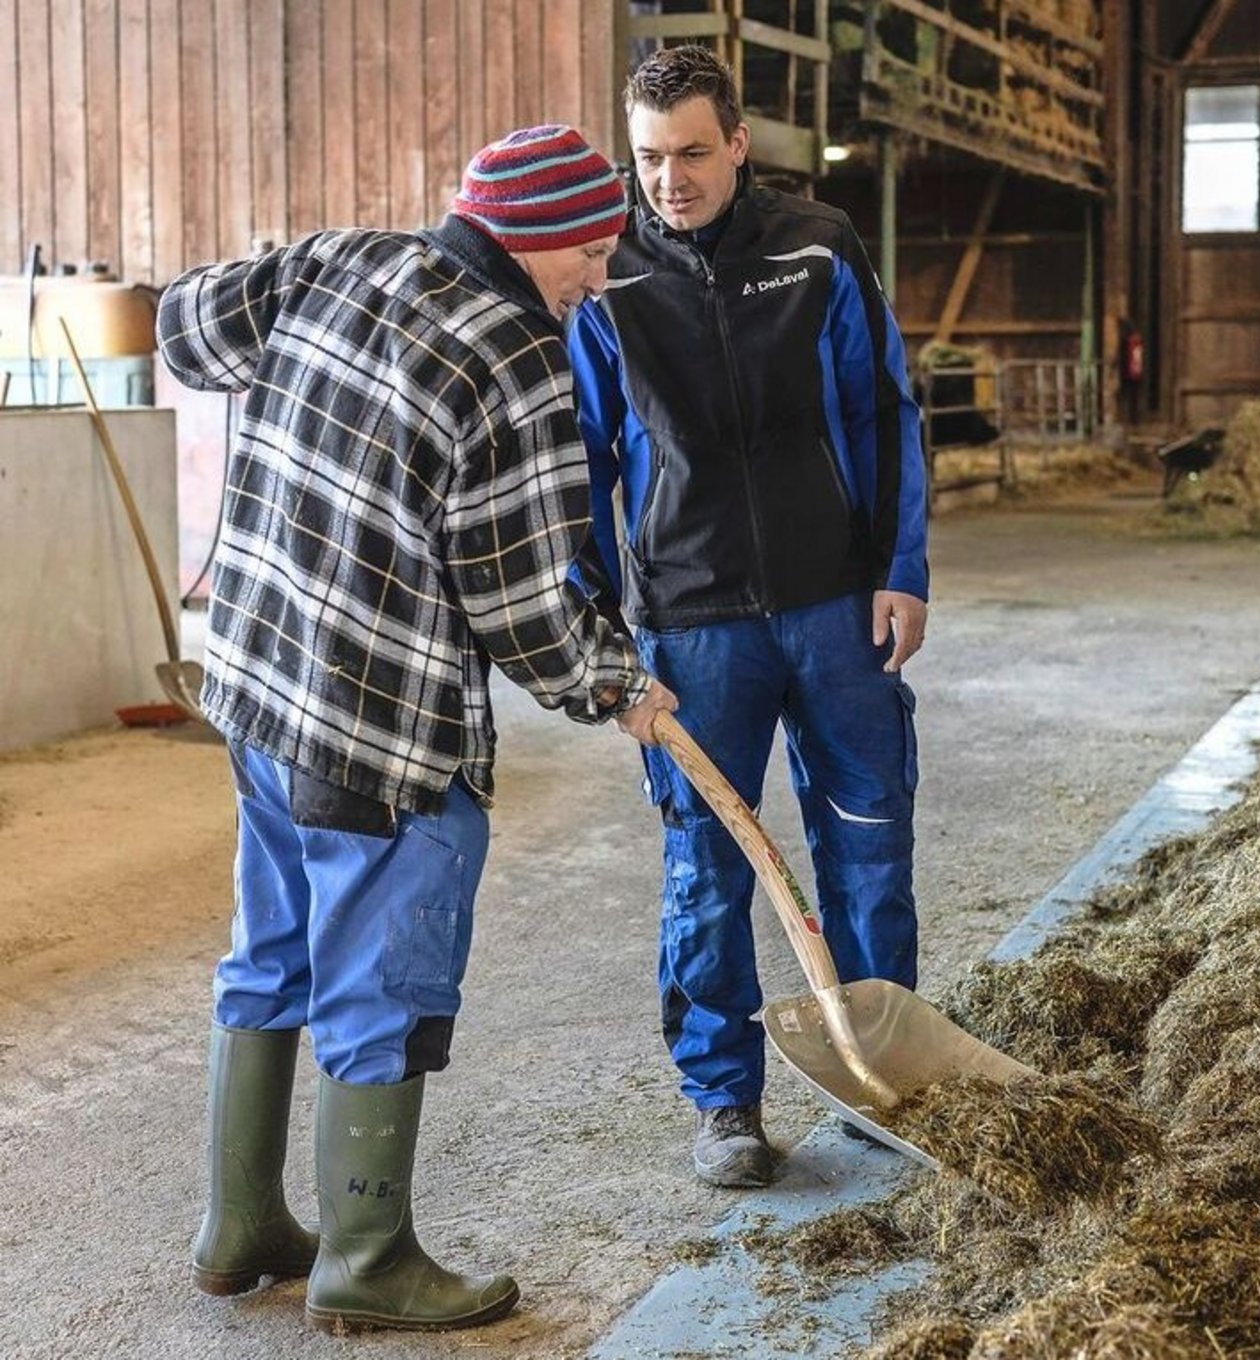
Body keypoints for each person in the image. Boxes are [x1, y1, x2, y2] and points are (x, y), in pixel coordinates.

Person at [157, 123, 677, 1334]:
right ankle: (367, 1256)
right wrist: (617, 688)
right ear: (534, 237)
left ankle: (237, 1227)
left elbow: (183, 327)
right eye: (588, 252)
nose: (595, 279)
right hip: (382, 732)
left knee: (271, 944)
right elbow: (522, 601)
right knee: (383, 978)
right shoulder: (515, 356)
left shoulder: (336, 260)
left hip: (254, 690)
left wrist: (277, 299)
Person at [568, 47, 928, 1189]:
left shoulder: (816, 244)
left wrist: (901, 566)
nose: (667, 178)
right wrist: (601, 635)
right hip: (689, 624)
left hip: (834, 605)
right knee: (706, 869)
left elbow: (882, 406)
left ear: (736, 142)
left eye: (688, 152)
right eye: (647, 158)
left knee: (866, 845)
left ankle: (881, 1075)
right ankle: (725, 1101)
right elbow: (579, 463)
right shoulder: (606, 277)